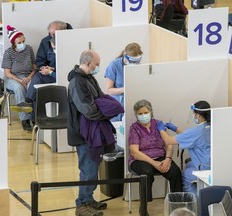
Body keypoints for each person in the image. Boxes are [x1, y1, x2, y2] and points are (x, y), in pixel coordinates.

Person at [68, 50, 117, 216]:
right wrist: (106, 113)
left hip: (94, 131)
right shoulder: (77, 82)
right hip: (83, 134)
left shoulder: (89, 78)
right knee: (88, 169)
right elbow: (88, 110)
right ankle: (81, 205)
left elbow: (101, 98)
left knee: (93, 167)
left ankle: (89, 199)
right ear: (88, 63)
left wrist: (108, 106)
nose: (98, 67)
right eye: (97, 64)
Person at [128, 99, 182, 209]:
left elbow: (169, 143)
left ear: (151, 112)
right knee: (146, 173)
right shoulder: (134, 128)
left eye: (145, 113)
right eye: (140, 114)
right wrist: (154, 163)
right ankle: (143, 207)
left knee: (175, 172)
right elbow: (135, 152)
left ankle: (177, 206)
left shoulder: (158, 124)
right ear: (136, 115)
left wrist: (168, 159)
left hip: (161, 157)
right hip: (140, 159)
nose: (143, 115)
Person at [17, 20, 71, 123]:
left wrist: (52, 70)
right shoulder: (46, 41)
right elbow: (40, 61)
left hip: (62, 76)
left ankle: (28, 105)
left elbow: (67, 66)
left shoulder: (70, 41)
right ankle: (34, 119)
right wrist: (45, 68)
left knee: (37, 80)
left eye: (54, 34)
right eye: (50, 34)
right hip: (50, 73)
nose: (51, 36)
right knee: (38, 83)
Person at [157, 100, 211, 195]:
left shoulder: (196, 131)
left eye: (194, 114)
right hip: (212, 162)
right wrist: (175, 129)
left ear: (198, 115)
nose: (193, 116)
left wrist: (161, 130)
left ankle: (194, 202)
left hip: (205, 167)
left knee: (185, 175)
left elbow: (168, 140)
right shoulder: (210, 126)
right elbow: (189, 138)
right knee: (189, 165)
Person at [1, 25, 36, 132]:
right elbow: (7, 73)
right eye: (19, 42)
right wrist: (20, 80)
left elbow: (34, 67)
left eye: (23, 41)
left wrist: (29, 78)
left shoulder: (29, 49)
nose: (22, 44)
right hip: (13, 78)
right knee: (19, 89)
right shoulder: (8, 53)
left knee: (33, 87)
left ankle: (34, 116)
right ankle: (24, 119)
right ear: (13, 43)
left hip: (28, 76)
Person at [104, 42, 143, 121]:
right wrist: (124, 89)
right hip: (117, 104)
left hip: (132, 102)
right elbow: (108, 90)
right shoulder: (114, 65)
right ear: (125, 54)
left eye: (137, 61)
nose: (135, 63)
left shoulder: (139, 66)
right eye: (133, 60)